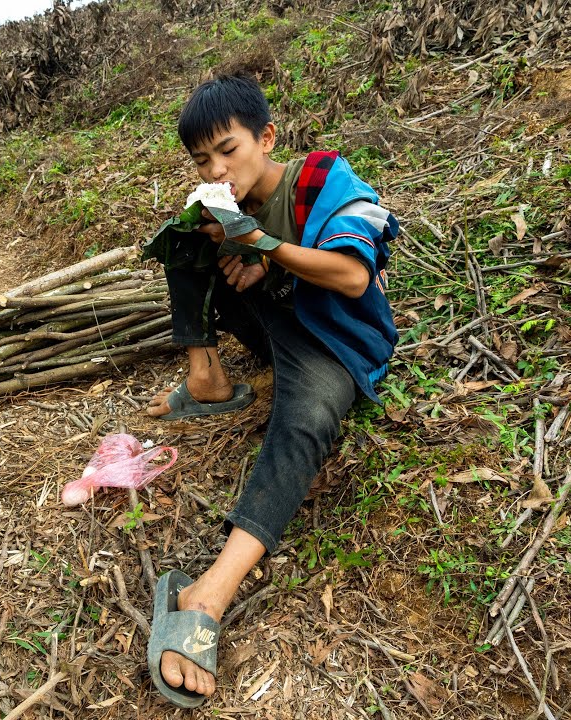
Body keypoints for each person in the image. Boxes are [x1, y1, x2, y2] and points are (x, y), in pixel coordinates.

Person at [143, 74, 398, 708]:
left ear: (267, 137)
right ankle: (209, 378)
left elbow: (349, 274)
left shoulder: (324, 180)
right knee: (184, 242)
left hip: (335, 341)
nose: (218, 168)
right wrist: (233, 249)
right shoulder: (231, 204)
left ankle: (209, 592)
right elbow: (249, 265)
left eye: (229, 149)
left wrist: (263, 247)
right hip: (281, 324)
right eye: (203, 160)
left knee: (304, 420)